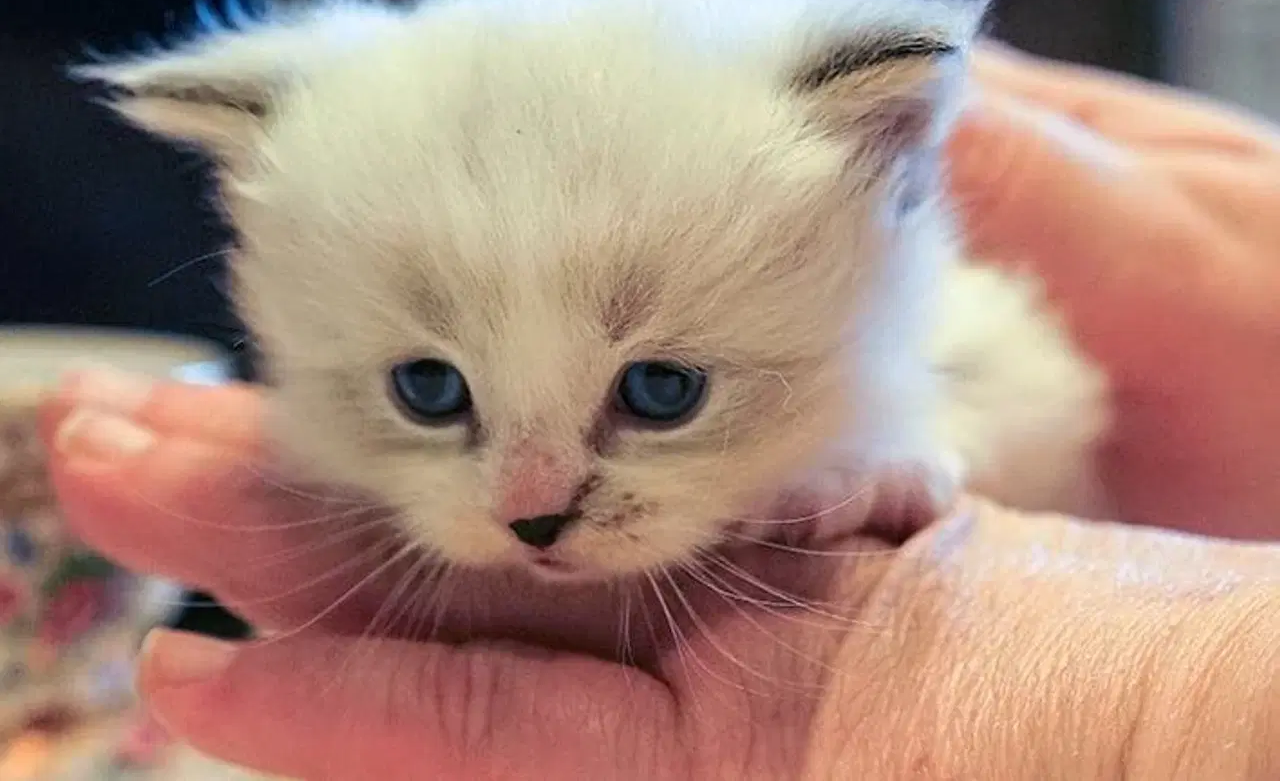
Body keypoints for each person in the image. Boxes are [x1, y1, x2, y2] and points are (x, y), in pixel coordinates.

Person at [38, 45, 1280, 780]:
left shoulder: (940, 335)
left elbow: (1031, 392)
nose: (532, 508)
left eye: (659, 390)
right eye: (430, 390)